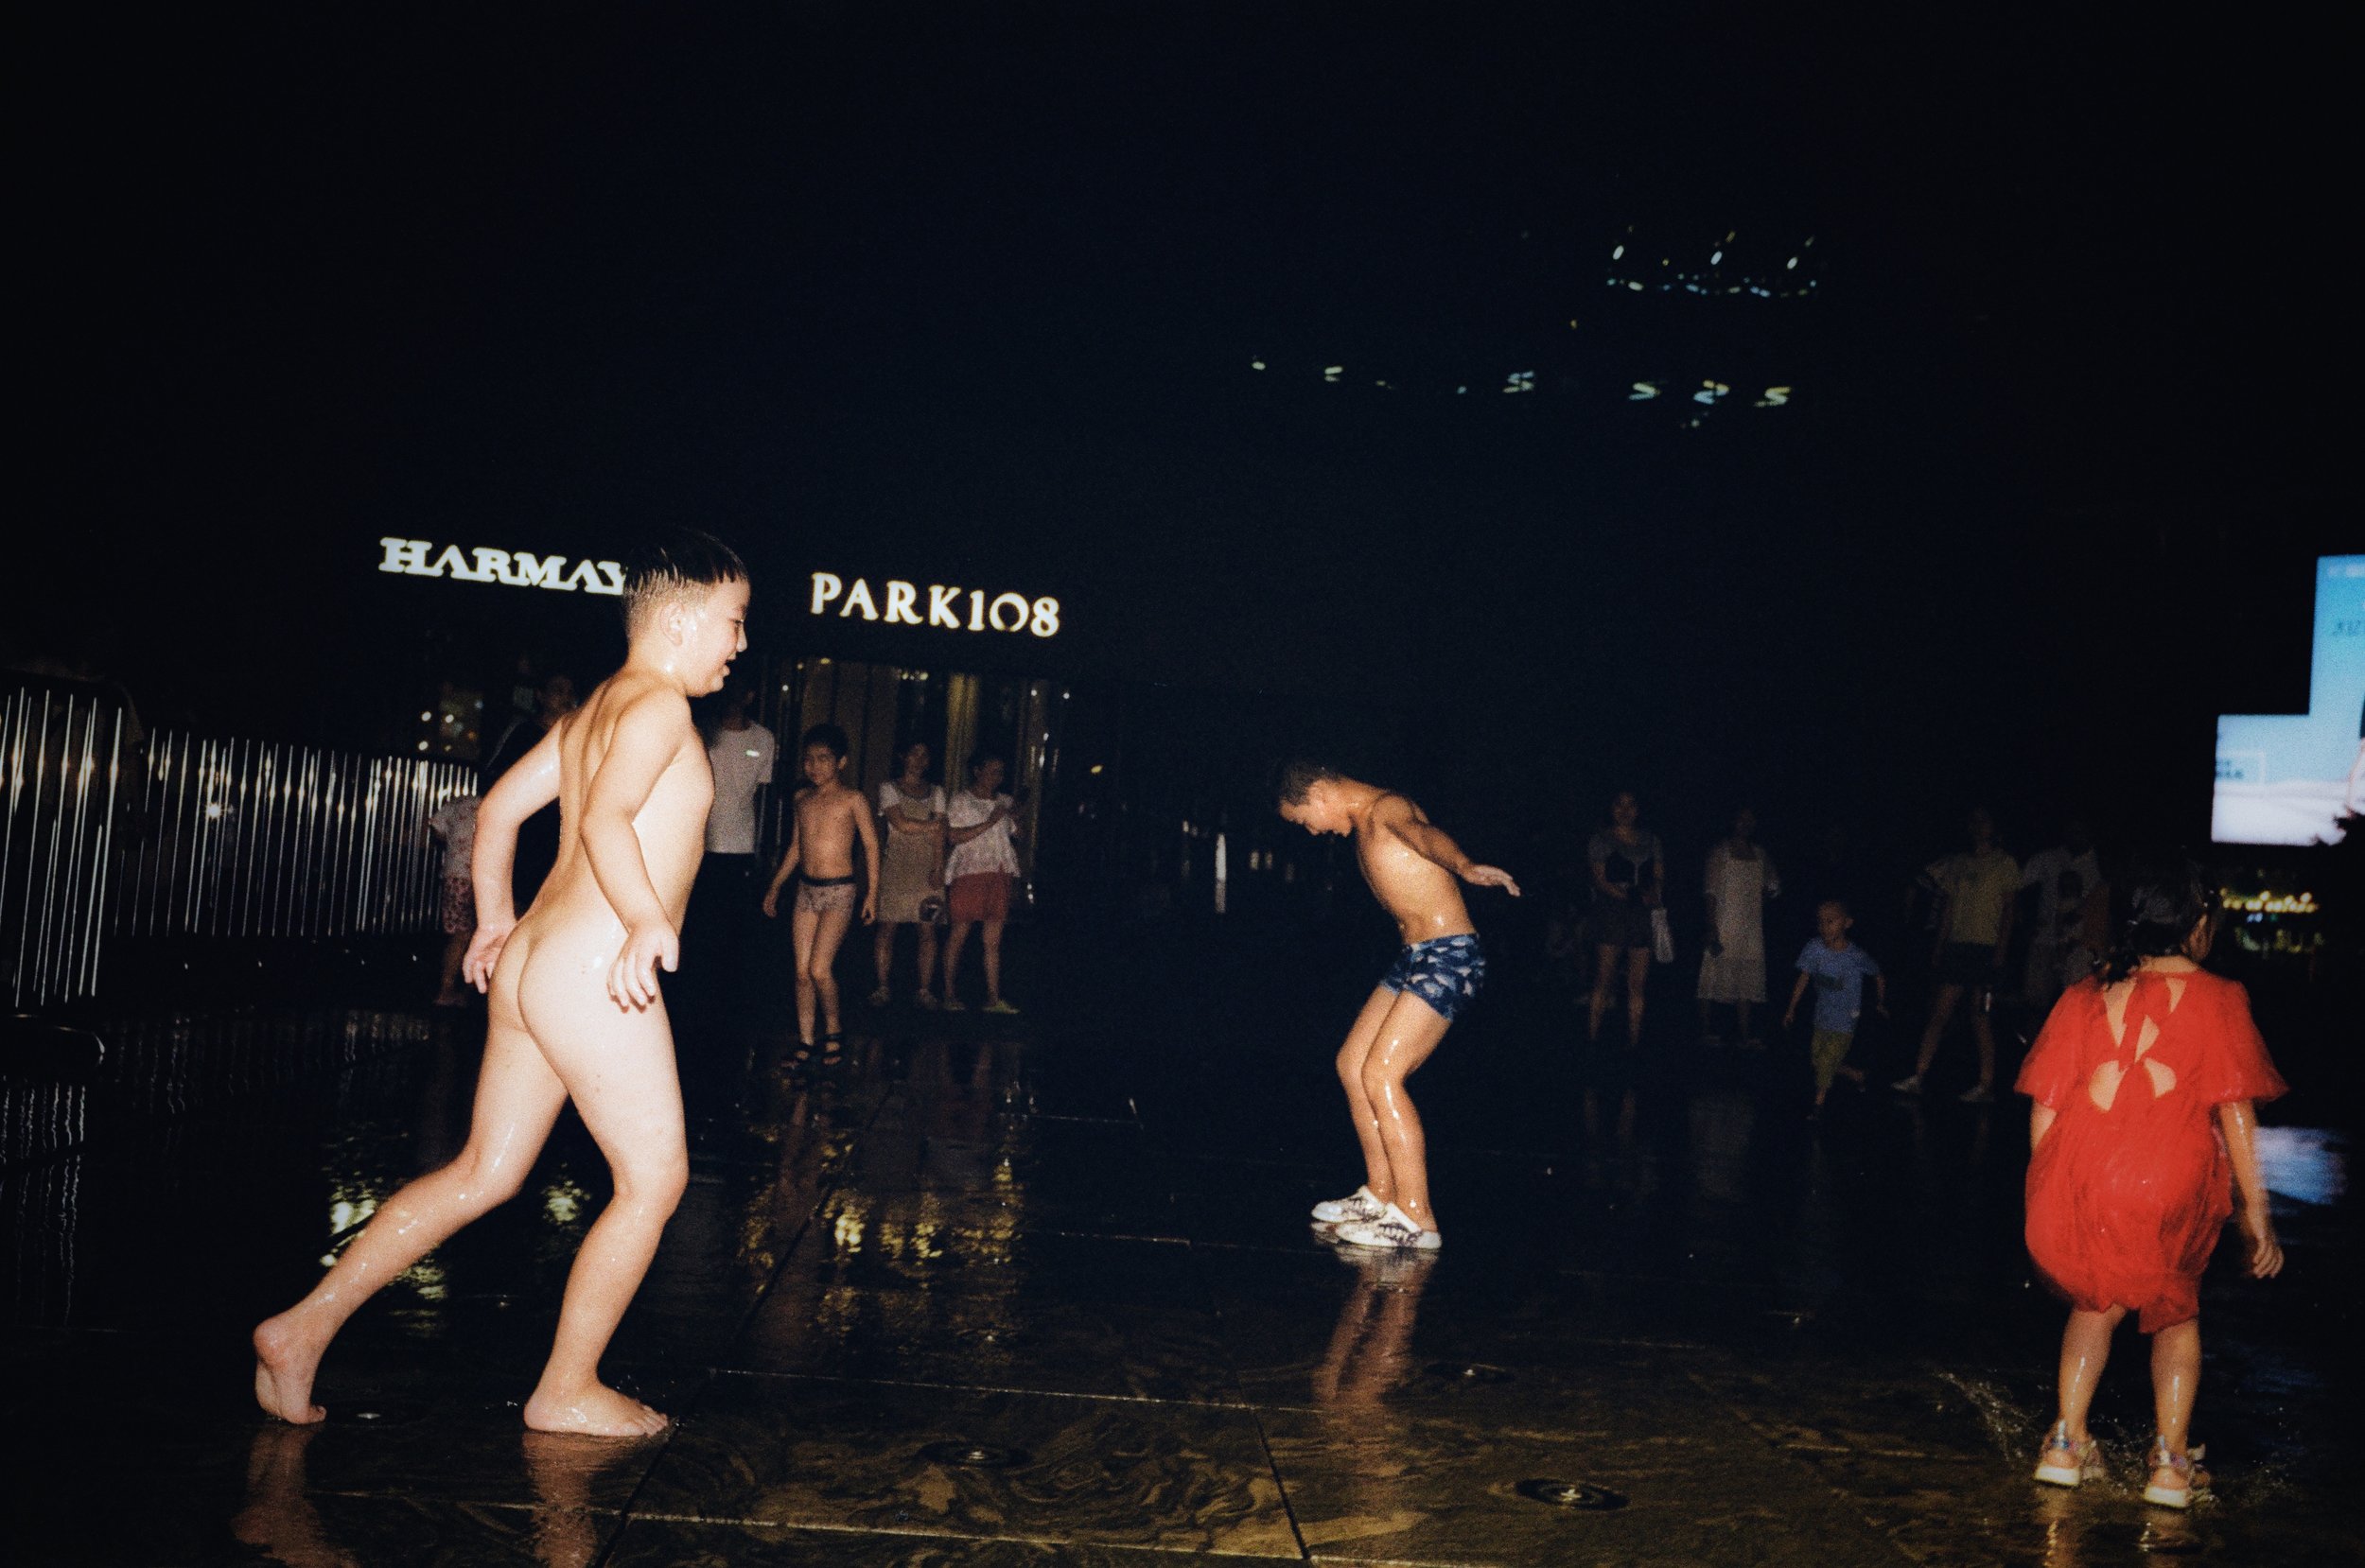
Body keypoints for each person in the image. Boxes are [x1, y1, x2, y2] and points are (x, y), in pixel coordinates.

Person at [253, 529, 750, 1437]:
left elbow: (497, 812)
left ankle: (302, 1326)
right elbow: (605, 820)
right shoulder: (660, 710)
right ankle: (567, 1386)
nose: (740, 643)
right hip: (593, 969)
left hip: (533, 963)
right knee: (654, 1180)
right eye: (732, 620)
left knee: (485, 1170)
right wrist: (645, 918)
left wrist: (492, 920)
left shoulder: (594, 710)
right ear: (680, 619)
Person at [2018, 857, 2285, 1509]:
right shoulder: (2220, 997)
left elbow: (2046, 1104)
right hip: (2169, 1173)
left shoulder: (2088, 991)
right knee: (2175, 1311)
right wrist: (2257, 1212)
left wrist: (2053, 1186)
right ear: (2198, 925)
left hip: (2087, 1170)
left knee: (2095, 1305)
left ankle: (2064, 1442)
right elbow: (2236, 1112)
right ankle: (2169, 1462)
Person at [1278, 760, 1519, 1250]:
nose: (1311, 830)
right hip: (1414, 956)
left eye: (1305, 819)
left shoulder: (1386, 808)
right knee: (1351, 1064)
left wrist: (1464, 865)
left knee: (1383, 1075)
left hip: (1449, 957)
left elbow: (1425, 836)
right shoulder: (1364, 823)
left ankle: (1417, 1218)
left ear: (1320, 793)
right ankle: (1380, 1194)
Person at [762, 724, 880, 1068]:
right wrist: (775, 885)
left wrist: (872, 894)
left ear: (841, 762)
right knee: (801, 972)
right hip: (806, 891)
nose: (814, 766)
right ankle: (806, 1039)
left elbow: (871, 846)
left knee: (819, 969)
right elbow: (797, 848)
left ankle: (834, 1031)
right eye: (809, 759)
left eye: (823, 759)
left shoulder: (853, 799)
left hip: (839, 890)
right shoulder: (803, 800)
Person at [1894, 807, 2019, 1103]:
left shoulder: (2005, 863)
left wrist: (2000, 953)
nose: (1977, 827)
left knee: (1980, 1016)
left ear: (1995, 827)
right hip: (1957, 948)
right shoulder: (1959, 863)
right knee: (1939, 1012)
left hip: (1985, 949)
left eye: (1983, 821)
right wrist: (1940, 944)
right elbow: (1948, 908)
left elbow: (2010, 911)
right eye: (1973, 821)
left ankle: (1985, 1084)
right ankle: (1918, 1075)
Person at [688, 684, 776, 1026]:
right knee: (700, 925)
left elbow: (765, 796)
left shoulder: (763, 739)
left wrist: (765, 849)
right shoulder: (702, 731)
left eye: (737, 693)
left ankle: (730, 1002)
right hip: (701, 844)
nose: (729, 699)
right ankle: (697, 1002)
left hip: (741, 847)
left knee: (735, 927)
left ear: (749, 695)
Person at [1585, 791, 1663, 1139]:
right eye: (1619, 803)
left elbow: (1659, 876)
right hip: (1613, 914)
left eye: (1631, 804)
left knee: (1637, 984)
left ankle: (1633, 1044)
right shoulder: (1601, 839)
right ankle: (1592, 1040)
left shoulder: (1651, 840)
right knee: (1604, 980)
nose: (1625, 810)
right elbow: (1600, 879)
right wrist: (1630, 894)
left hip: (1641, 916)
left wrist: (1650, 894)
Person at [482, 669, 579, 913]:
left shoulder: (577, 738)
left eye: (569, 692)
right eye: (558, 691)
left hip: (560, 841)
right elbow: (494, 780)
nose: (565, 697)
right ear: (540, 695)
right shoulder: (522, 733)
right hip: (526, 840)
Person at [1783, 899, 1885, 1115]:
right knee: (1818, 1061)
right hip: (1822, 1017)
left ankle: (1818, 1106)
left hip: (1845, 1020)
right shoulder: (1814, 949)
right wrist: (1791, 1008)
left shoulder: (1855, 956)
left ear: (1846, 923)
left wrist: (1880, 1002)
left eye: (1830, 921)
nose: (1824, 926)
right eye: (1820, 921)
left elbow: (1877, 974)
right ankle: (1856, 1075)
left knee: (1827, 1062)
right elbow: (1803, 978)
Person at [940, 750, 1024, 1015]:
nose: (995, 776)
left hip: (998, 872)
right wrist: (989, 822)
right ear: (977, 770)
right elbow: (952, 836)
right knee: (960, 933)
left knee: (993, 940)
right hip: (970, 872)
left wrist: (1014, 821)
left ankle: (993, 997)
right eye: (990, 770)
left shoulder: (1004, 801)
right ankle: (949, 994)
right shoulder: (961, 800)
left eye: (999, 772)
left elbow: (1014, 834)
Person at [869, 740, 947, 1008]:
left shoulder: (937, 792)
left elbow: (941, 833)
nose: (919, 760)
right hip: (896, 868)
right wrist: (930, 825)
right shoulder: (888, 788)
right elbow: (899, 823)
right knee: (887, 927)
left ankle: (924, 990)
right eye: (914, 753)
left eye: (925, 755)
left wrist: (938, 867)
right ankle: (882, 987)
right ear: (903, 756)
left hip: (927, 871)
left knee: (927, 930)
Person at [1697, 806, 1780, 1046]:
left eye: (1750, 819)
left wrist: (1760, 897)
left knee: (1747, 979)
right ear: (1732, 821)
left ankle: (1744, 1035)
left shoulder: (1760, 854)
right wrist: (1711, 925)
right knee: (1711, 977)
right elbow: (1710, 892)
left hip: (1750, 926)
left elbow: (1774, 885)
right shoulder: (1720, 852)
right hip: (1724, 923)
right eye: (1741, 818)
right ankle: (1704, 1030)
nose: (1745, 823)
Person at [2018, 820, 2102, 1012]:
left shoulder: (2099, 864)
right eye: (2072, 829)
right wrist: (2025, 921)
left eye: (2081, 830)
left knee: (2079, 1003)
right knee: (2035, 1002)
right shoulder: (2048, 859)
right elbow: (2017, 886)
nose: (2076, 834)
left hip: (2081, 948)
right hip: (2045, 940)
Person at [424, 791, 481, 1006]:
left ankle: (445, 990)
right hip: (482, 878)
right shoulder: (498, 799)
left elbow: (436, 829)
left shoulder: (459, 802)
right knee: (481, 934)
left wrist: (455, 839)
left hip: (454, 877)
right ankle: (468, 994)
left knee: (458, 936)